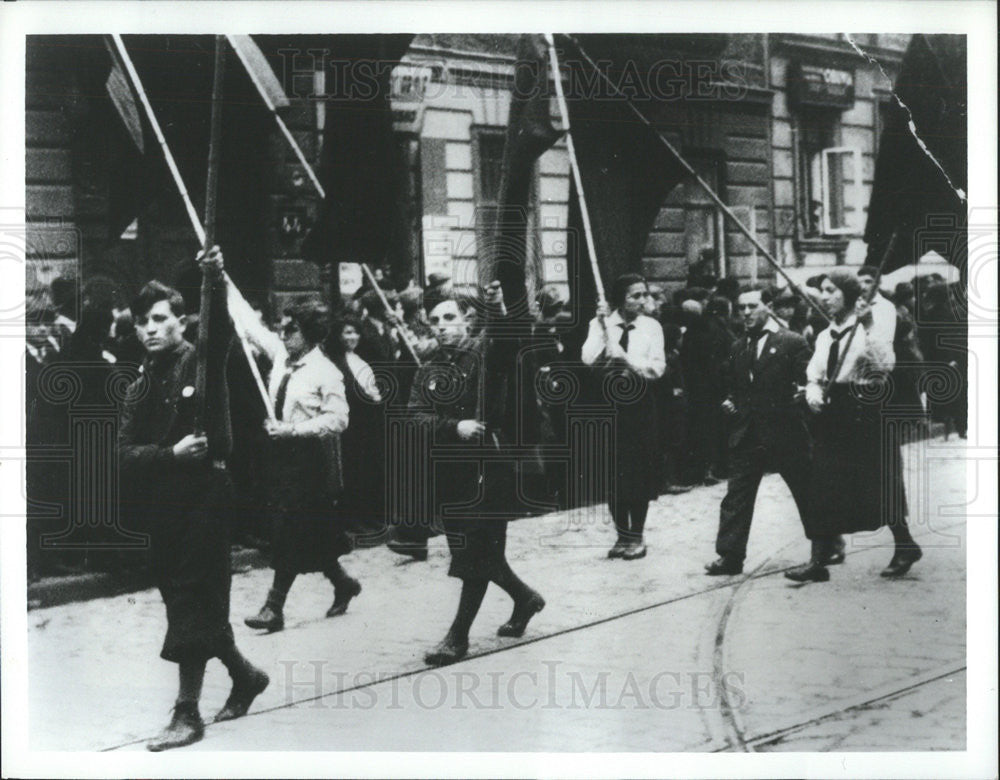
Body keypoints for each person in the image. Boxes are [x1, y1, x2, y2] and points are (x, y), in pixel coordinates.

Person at [118, 248, 268, 751]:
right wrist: (170, 454)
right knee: (186, 598)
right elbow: (123, 453)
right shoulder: (141, 384)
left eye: (160, 319)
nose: (150, 329)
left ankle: (187, 713)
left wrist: (217, 278)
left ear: (182, 321)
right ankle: (245, 676)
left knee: (189, 596)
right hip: (167, 500)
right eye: (142, 322)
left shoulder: (201, 358)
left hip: (207, 494)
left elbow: (222, 327)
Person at [410, 286, 545, 666]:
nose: (442, 327)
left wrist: (499, 307)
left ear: (468, 320)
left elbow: (505, 341)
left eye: (450, 318)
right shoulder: (428, 368)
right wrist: (454, 427)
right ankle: (525, 599)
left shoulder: (483, 353)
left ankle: (458, 637)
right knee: (475, 551)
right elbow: (415, 415)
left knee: (475, 550)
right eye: (435, 321)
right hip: (452, 471)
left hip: (490, 466)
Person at [786, 271, 922, 583]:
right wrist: (814, 394)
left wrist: (870, 323)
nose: (824, 296)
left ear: (847, 295)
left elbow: (881, 367)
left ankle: (905, 544)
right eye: (822, 291)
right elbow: (814, 375)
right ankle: (817, 561)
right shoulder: (824, 336)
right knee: (822, 482)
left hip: (865, 408)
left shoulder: (867, 329)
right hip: (833, 414)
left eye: (831, 290)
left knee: (879, 480)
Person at [242, 299, 356, 632]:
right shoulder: (281, 356)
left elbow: (338, 419)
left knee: (289, 530)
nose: (283, 332)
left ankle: (273, 608)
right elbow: (252, 326)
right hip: (278, 457)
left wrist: (293, 429)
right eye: (282, 325)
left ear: (309, 334)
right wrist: (220, 279)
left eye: (291, 328)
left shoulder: (326, 372)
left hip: (308, 461)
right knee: (308, 533)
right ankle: (343, 583)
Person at [705, 286, 815, 576]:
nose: (746, 313)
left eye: (752, 306)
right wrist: (730, 401)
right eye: (741, 308)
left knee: (805, 491)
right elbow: (734, 384)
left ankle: (825, 545)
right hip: (747, 434)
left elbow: (810, 379)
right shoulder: (738, 345)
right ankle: (729, 556)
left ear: (768, 306)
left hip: (785, 431)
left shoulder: (792, 342)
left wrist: (803, 392)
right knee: (736, 496)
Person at [582, 273, 666, 560]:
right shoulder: (600, 323)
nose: (643, 301)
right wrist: (605, 330)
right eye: (636, 296)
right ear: (621, 299)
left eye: (645, 295)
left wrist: (627, 358)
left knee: (638, 471)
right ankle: (621, 535)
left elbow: (657, 368)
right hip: (609, 402)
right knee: (612, 471)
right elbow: (588, 358)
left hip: (639, 404)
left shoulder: (651, 327)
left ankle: (637, 535)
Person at [327, 316, 387, 545]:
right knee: (354, 473)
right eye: (347, 333)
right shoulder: (335, 361)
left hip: (369, 424)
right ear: (338, 336)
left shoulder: (360, 358)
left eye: (355, 333)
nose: (352, 337)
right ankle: (355, 519)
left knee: (369, 470)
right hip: (353, 425)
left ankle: (371, 518)